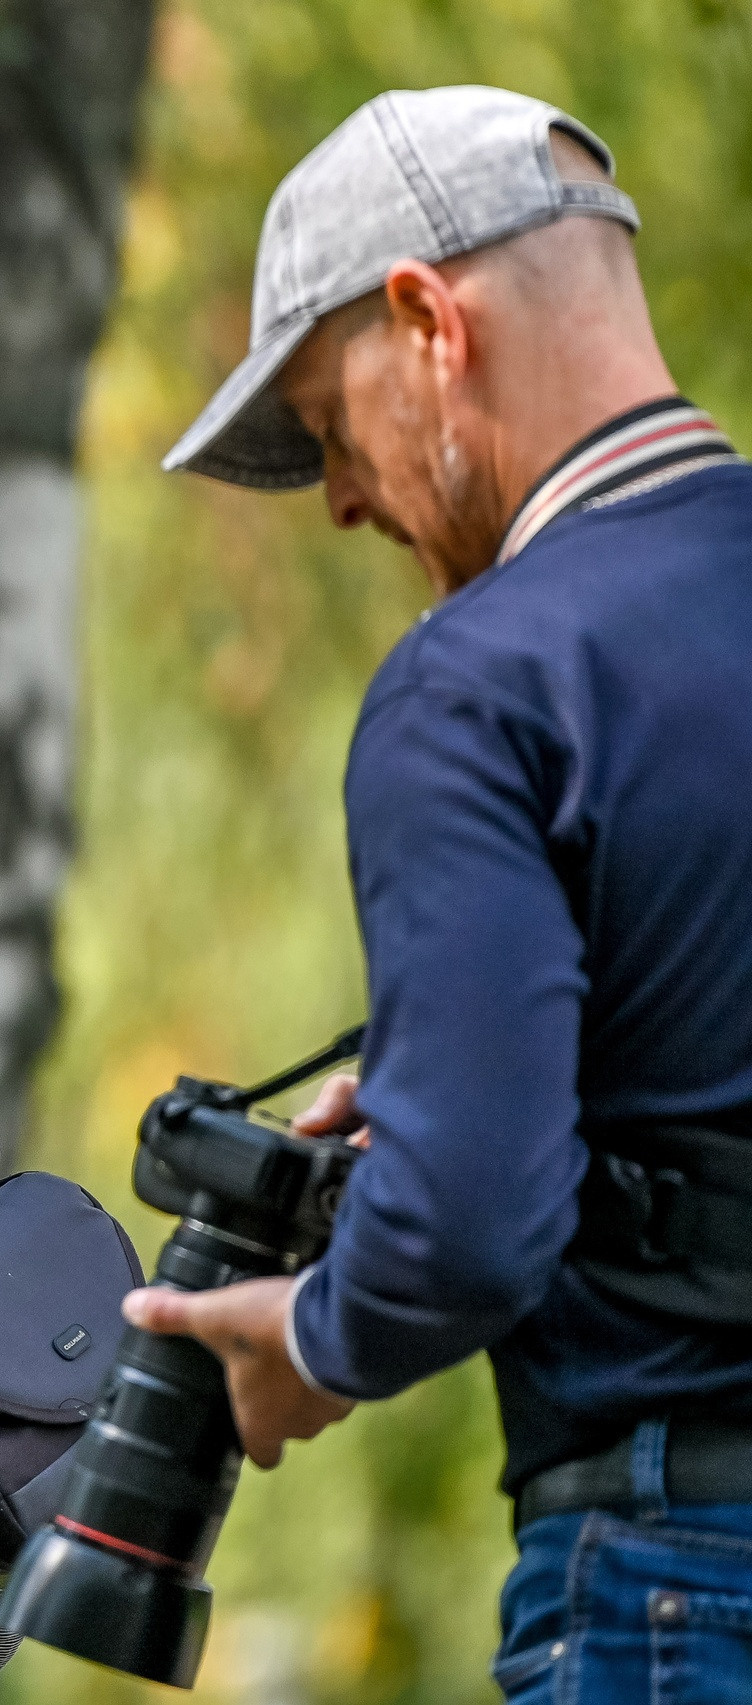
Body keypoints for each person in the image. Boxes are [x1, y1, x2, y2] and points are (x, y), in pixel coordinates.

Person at [126, 85, 752, 1701]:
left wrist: (313, 1338)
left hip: (681, 1574)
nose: (341, 501)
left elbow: (467, 1229)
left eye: (333, 430)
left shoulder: (478, 685)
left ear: (427, 323)